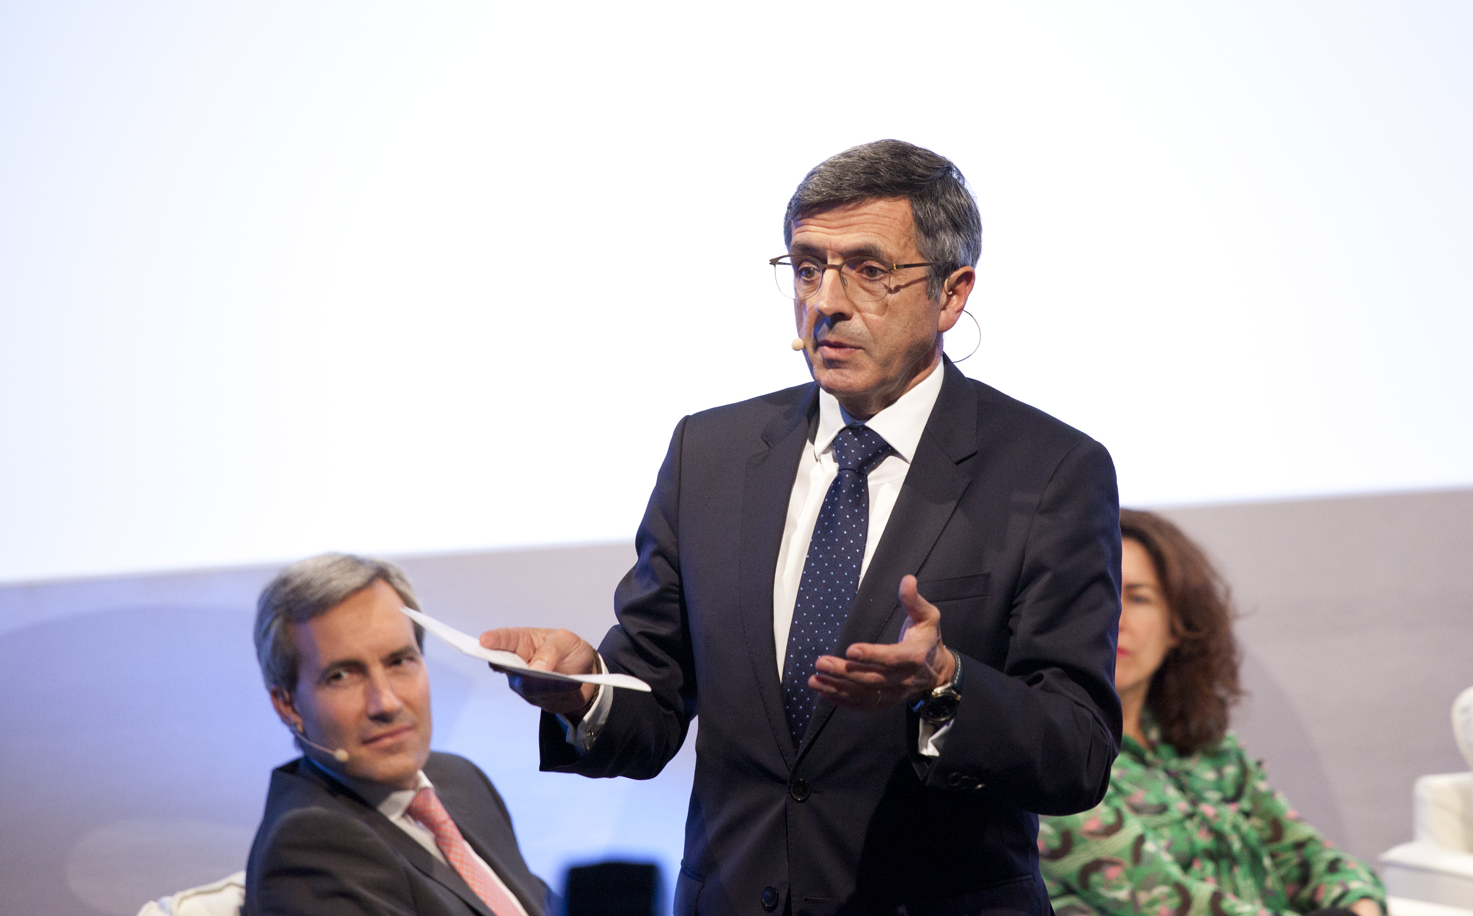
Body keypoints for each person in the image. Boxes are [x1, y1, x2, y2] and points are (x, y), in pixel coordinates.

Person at [483, 139, 1124, 915]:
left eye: (869, 270)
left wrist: (946, 682)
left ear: (951, 294)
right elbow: (651, 701)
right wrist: (583, 688)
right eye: (808, 267)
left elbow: (1076, 751)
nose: (827, 300)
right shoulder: (709, 453)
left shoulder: (1049, 470)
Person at [1037, 510, 1387, 916]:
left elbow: (1307, 856)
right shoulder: (1054, 756)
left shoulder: (1206, 745)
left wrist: (1361, 906)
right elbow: (1171, 902)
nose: (1115, 620)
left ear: (1176, 626)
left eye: (1138, 598)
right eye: (1096, 598)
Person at [245, 553, 553, 916]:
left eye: (399, 661)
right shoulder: (307, 845)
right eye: (342, 675)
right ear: (288, 705)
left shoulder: (459, 778)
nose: (386, 703)